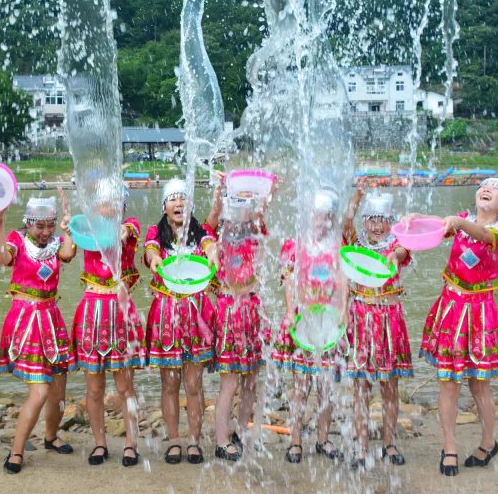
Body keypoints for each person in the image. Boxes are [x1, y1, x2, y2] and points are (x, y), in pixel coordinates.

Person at [410, 177, 498, 477]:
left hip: (481, 314)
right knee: (448, 381)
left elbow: (481, 233)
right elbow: (438, 226)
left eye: (495, 189)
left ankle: (488, 442)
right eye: (483, 186)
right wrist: (415, 219)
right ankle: (450, 447)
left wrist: (458, 222)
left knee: (479, 384)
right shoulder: (462, 221)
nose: (486, 189)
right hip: (451, 308)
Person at [0, 196, 77, 474]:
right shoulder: (16, 239)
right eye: (40, 226)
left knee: (59, 389)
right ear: (28, 223)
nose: (45, 232)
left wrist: (67, 230)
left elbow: (69, 253)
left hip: (52, 318)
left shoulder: (56, 244)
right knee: (40, 391)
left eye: (49, 225)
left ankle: (50, 436)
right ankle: (17, 450)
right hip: (26, 319)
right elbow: (2, 257)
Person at [143, 178, 219, 465]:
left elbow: (211, 247)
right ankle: (174, 440)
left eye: (183, 198)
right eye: (172, 199)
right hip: (166, 316)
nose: (178, 203)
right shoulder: (155, 233)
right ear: (164, 206)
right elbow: (150, 251)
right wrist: (153, 260)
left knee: (194, 385)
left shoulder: (201, 233)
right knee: (169, 384)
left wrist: (214, 257)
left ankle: (194, 441)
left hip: (196, 315)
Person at [71, 183, 145, 467]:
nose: (109, 206)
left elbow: (125, 233)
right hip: (91, 311)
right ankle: (100, 443)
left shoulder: (130, 226)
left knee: (125, 385)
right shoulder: (87, 228)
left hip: (119, 312)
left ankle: (131, 443)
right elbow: (70, 247)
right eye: (104, 201)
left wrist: (119, 229)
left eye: (115, 201)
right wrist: (70, 226)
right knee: (94, 388)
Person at [271, 189, 348, 464]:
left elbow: (344, 281)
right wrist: (291, 311)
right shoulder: (295, 243)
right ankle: (295, 441)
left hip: (328, 324)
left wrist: (343, 311)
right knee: (301, 386)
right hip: (303, 321)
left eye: (327, 215)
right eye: (317, 214)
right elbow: (288, 280)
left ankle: (323, 439)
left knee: (326, 387)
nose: (321, 220)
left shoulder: (338, 245)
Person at [341, 185, 412, 469]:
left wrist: (395, 255)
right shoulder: (356, 244)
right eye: (372, 219)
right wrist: (357, 197)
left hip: (389, 318)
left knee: (390, 386)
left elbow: (404, 251)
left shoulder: (397, 245)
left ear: (391, 221)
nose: (378, 225)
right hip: (360, 318)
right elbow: (345, 223)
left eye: (383, 219)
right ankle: (360, 445)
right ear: (365, 221)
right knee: (361, 386)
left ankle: (389, 443)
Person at [210, 190, 269, 462]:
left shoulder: (255, 232)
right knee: (230, 382)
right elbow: (208, 225)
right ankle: (221, 441)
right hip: (228, 309)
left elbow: (261, 213)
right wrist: (216, 194)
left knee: (251, 381)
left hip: (252, 309)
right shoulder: (217, 236)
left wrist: (268, 190)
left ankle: (241, 433)